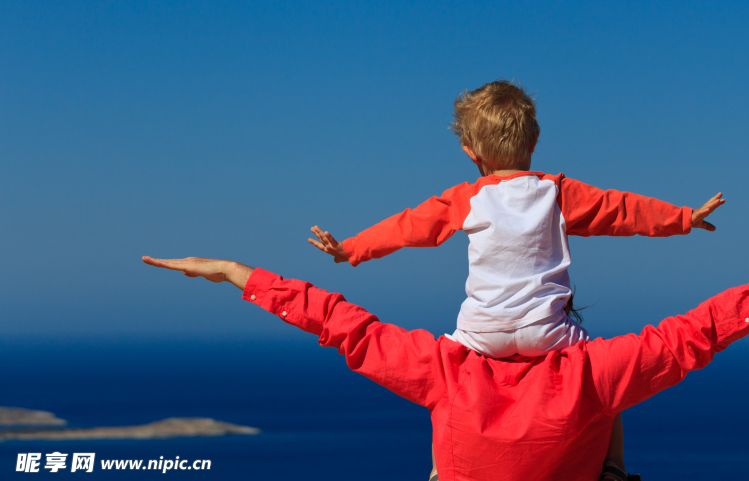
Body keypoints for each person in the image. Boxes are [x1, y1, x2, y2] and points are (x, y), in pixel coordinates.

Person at [142, 249, 749, 481]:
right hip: (594, 427)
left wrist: (237, 275)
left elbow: (340, 323)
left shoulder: (443, 369)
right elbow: (699, 332)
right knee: (615, 405)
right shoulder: (596, 372)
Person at [305, 80, 726, 480]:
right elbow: (621, 211)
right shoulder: (557, 193)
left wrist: (352, 249)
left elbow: (408, 227)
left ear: (471, 153)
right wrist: (683, 218)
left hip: (481, 334)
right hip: (548, 334)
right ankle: (609, 469)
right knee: (604, 387)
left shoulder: (466, 198)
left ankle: (442, 471)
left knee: (443, 389)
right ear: (534, 142)